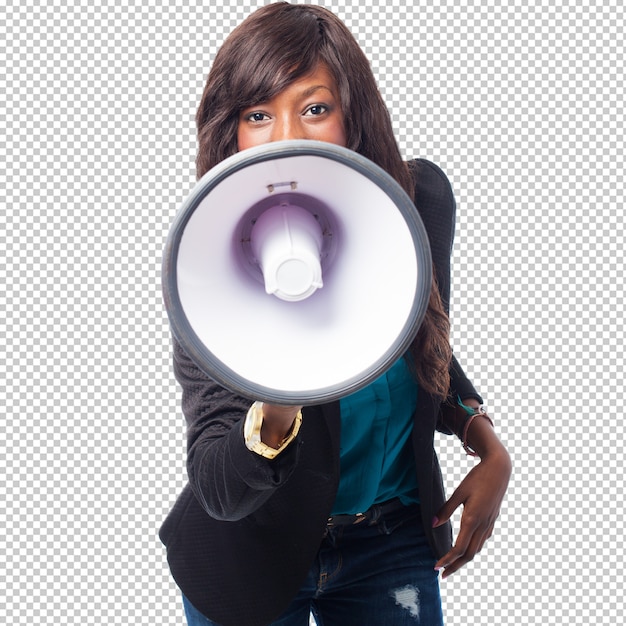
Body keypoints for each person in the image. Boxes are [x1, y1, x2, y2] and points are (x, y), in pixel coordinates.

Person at [160, 4, 511, 625]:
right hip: (254, 558)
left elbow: (420, 337)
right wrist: (274, 408)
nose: (288, 135)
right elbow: (218, 486)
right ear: (232, 131)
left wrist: (485, 443)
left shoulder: (416, 201)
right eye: (258, 114)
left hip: (391, 541)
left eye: (315, 108)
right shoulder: (204, 258)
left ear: (354, 114)